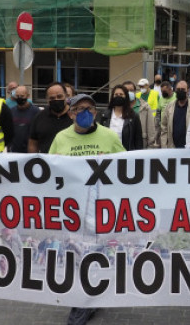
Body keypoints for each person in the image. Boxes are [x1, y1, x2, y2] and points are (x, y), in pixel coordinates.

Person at [48, 93, 126, 325]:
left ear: (96, 112)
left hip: (101, 209)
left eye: (90, 109)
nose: (85, 113)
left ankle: (84, 306)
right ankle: (86, 301)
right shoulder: (61, 138)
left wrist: (109, 165)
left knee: (92, 256)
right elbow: (49, 173)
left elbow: (128, 169)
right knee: (79, 257)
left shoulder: (109, 136)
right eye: (79, 109)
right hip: (72, 210)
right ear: (70, 113)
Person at [28, 82, 73, 153]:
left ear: (66, 96)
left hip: (70, 162)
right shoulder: (39, 117)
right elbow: (33, 143)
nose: (56, 100)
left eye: (59, 96)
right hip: (46, 162)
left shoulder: (76, 116)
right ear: (47, 99)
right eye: (52, 98)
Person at [98, 84, 144, 150]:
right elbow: (100, 137)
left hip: (127, 156)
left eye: (121, 94)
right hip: (108, 155)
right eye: (116, 94)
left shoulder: (133, 116)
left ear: (126, 97)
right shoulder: (104, 115)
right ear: (112, 97)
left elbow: (138, 141)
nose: (118, 96)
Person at [160, 80, 190, 149]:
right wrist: (164, 146)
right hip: (172, 148)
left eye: (183, 89)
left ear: (188, 90)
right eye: (178, 89)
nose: (180, 91)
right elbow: (164, 128)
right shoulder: (169, 107)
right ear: (175, 90)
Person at [123, 81, 157, 148]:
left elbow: (151, 130)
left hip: (140, 145)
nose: (129, 92)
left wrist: (150, 147)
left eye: (131, 90)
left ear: (135, 92)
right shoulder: (119, 107)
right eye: (126, 91)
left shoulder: (145, 107)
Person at [8, 85, 40, 153]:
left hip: (30, 152)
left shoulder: (36, 112)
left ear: (28, 96)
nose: (19, 98)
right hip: (14, 151)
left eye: (22, 96)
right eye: (17, 96)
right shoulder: (11, 111)